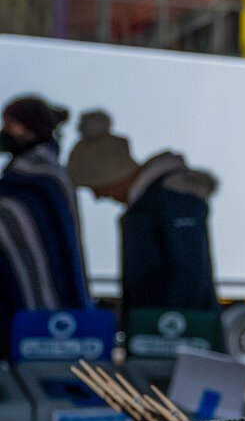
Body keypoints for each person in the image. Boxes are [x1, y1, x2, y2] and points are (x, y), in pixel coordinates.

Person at [65, 111, 220, 314]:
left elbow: (189, 272)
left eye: (95, 187)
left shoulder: (172, 199)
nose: (98, 197)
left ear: (109, 176)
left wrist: (170, 329)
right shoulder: (149, 205)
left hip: (175, 335)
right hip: (160, 332)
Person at [0, 96, 92, 356]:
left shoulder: (47, 177)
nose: (5, 132)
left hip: (51, 306)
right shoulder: (17, 177)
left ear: (29, 129)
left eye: (10, 125)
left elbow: (42, 235)